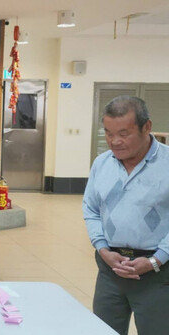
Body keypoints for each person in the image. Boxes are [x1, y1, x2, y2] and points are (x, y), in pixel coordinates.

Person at [83, 95, 169, 335]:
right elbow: (90, 209)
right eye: (109, 133)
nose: (115, 141)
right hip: (111, 267)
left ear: (147, 127)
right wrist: (102, 248)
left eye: (124, 133)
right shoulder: (102, 163)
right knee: (104, 330)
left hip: (158, 272)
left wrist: (156, 260)